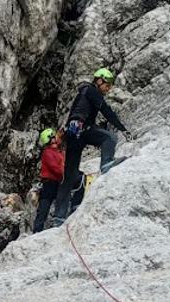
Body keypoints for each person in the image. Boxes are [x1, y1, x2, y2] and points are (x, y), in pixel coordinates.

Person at [53, 68, 132, 227]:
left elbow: (75, 112)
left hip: (73, 131)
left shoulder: (83, 92)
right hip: (83, 128)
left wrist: (70, 128)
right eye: (107, 85)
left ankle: (59, 218)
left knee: (69, 176)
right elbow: (107, 111)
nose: (108, 89)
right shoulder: (92, 90)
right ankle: (106, 163)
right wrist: (123, 128)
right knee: (109, 137)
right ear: (100, 81)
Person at [33, 128, 65, 233]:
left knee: (55, 205)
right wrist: (66, 174)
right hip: (49, 184)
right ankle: (37, 230)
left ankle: (58, 222)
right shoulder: (47, 152)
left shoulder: (58, 152)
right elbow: (55, 168)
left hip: (57, 183)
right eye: (52, 139)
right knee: (43, 210)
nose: (54, 140)